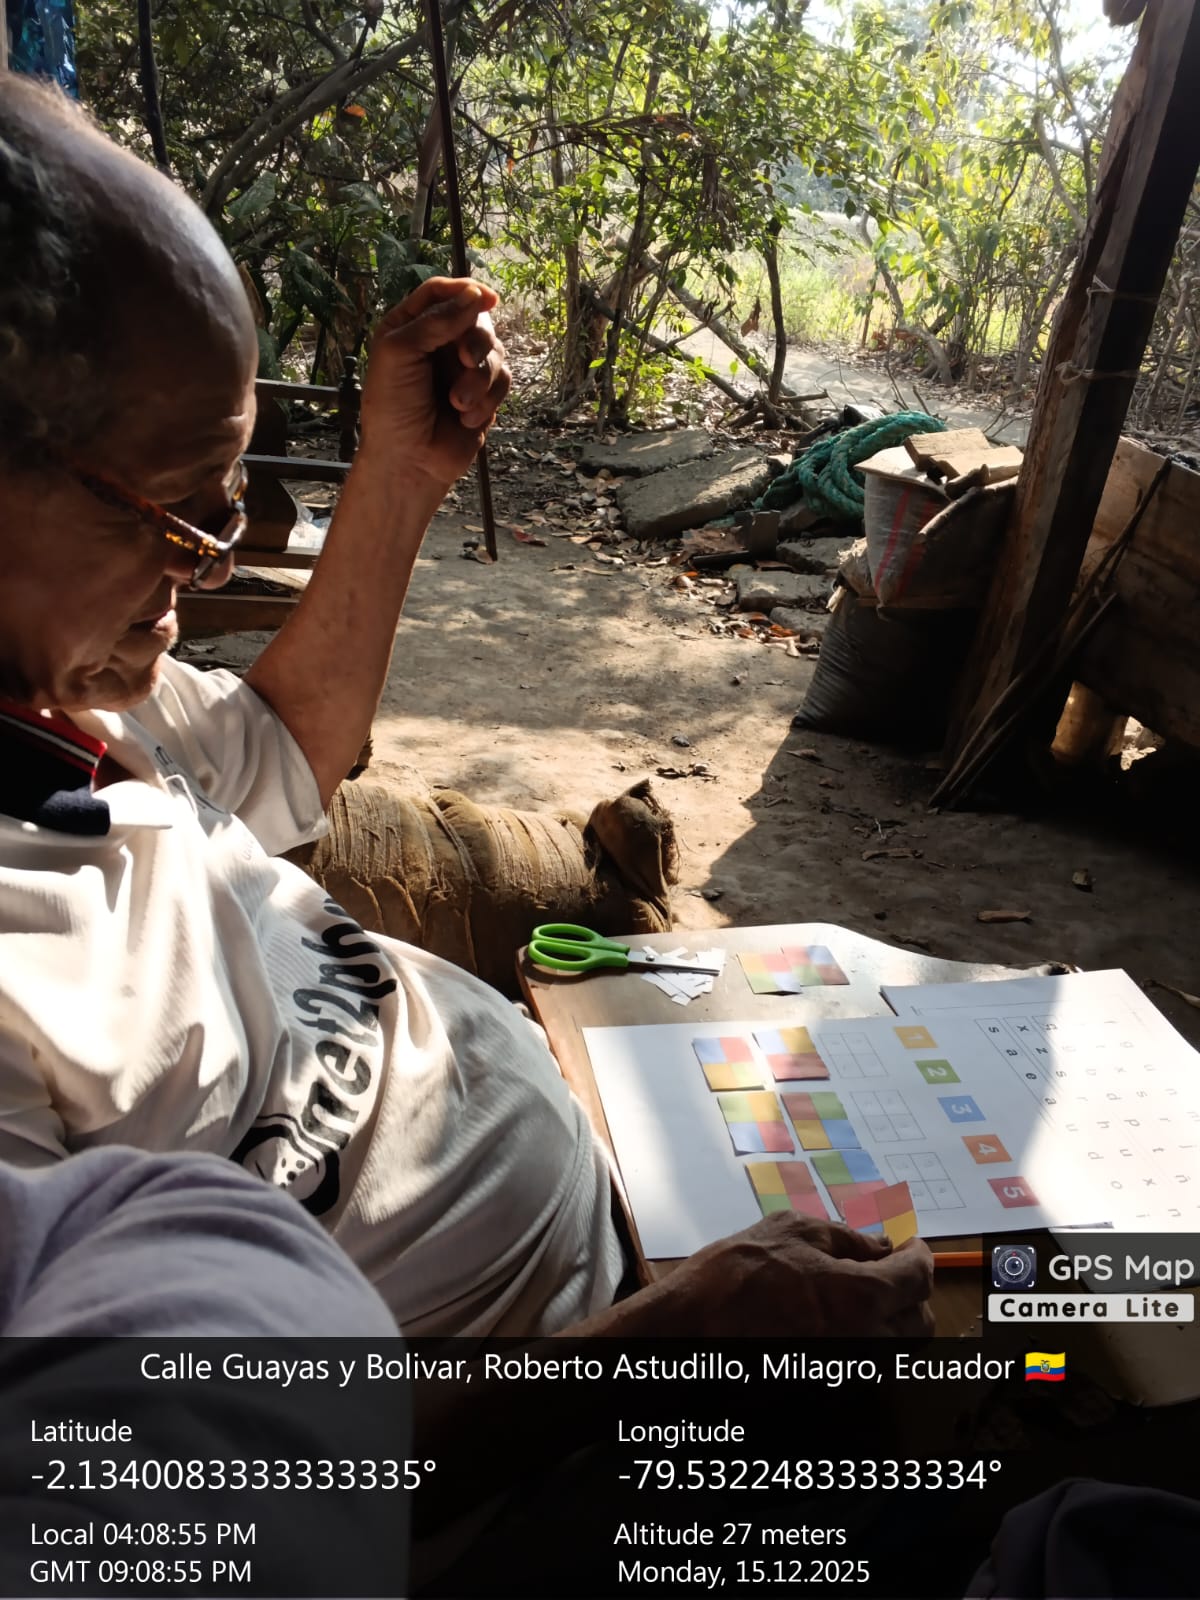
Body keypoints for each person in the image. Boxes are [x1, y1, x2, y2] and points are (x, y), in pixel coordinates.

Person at [0, 77, 933, 1341]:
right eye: (177, 512)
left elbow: (283, 752)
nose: (207, 568)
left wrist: (400, 470)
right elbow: (190, 1450)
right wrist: (669, 1336)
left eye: (227, 504)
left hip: (616, 1191)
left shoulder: (67, 693)